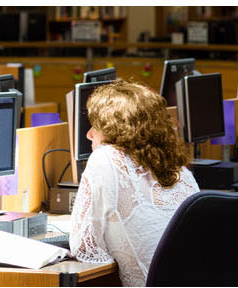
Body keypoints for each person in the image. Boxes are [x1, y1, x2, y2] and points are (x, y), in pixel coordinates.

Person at [70, 80, 200, 286]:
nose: (89, 134)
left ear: (114, 129)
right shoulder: (180, 169)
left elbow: (84, 249)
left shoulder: (105, 159)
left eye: (96, 126)